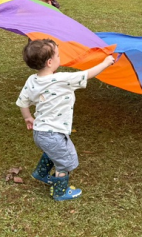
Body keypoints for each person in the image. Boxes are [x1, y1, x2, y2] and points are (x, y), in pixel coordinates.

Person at [17, 39, 115, 201]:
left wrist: (28, 117)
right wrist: (106, 63)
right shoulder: (62, 79)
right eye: (58, 55)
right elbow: (87, 74)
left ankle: (41, 174)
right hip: (54, 134)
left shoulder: (32, 80)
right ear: (50, 62)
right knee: (66, 161)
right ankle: (60, 192)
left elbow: (22, 102)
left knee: (53, 152)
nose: (59, 57)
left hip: (40, 133)